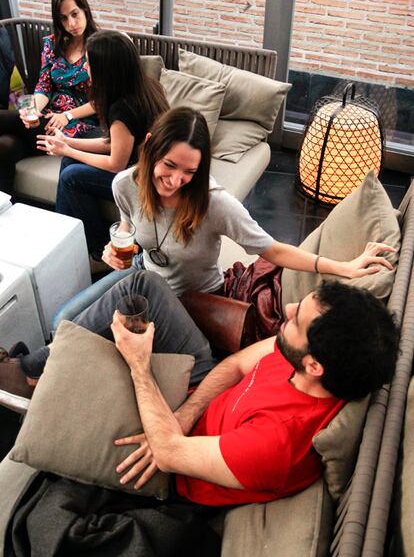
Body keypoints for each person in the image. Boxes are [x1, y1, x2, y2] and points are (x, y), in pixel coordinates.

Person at [2, 273, 399, 556]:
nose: (288, 308)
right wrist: (188, 411)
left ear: (315, 366)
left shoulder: (276, 444)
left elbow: (170, 453)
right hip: (196, 405)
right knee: (144, 284)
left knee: (48, 526)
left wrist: (140, 365)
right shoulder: (302, 358)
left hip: (175, 473)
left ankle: (32, 382)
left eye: (297, 318)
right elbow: (236, 366)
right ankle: (30, 372)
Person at [51, 106, 396, 329]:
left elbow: (273, 250)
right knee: (63, 320)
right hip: (143, 274)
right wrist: (115, 249)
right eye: (169, 165)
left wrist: (343, 267)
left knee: (92, 331)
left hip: (193, 300)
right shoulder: (125, 185)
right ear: (151, 146)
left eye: (189, 172)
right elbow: (127, 227)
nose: (174, 181)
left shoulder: (214, 204)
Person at [36, 30, 169, 261]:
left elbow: (115, 163)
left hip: (146, 182)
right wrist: (68, 142)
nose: (85, 67)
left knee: (71, 176)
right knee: (69, 162)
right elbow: (114, 143)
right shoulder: (146, 86)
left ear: (106, 69)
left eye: (89, 62)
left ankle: (97, 249)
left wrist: (67, 149)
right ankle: (66, 237)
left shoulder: (122, 108)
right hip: (144, 166)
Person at [0, 0, 99, 194]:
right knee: (5, 146)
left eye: (75, 14)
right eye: (63, 18)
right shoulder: (51, 44)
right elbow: (43, 86)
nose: (71, 23)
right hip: (47, 119)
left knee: (5, 121)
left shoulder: (100, 45)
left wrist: (68, 116)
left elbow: (102, 100)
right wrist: (33, 109)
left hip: (78, 125)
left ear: (85, 10)